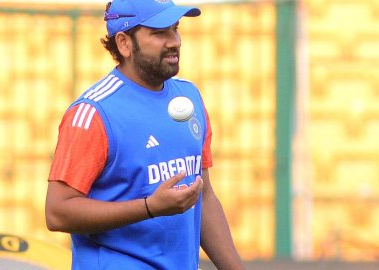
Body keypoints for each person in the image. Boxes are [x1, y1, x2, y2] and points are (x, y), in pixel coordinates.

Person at [45, 0, 245, 269]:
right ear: (124, 43)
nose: (174, 41)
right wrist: (149, 207)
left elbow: (204, 195)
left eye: (175, 29)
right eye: (159, 32)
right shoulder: (94, 112)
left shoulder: (189, 97)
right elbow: (57, 212)